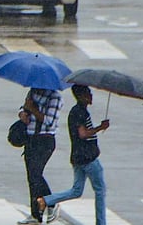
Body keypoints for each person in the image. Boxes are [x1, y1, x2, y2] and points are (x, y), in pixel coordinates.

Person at [38, 85, 110, 225]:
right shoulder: (79, 112)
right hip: (88, 158)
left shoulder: (79, 111)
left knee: (76, 190)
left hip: (78, 158)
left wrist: (99, 127)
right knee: (100, 191)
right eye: (88, 93)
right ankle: (101, 223)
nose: (91, 95)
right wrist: (100, 128)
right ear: (81, 96)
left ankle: (46, 200)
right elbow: (82, 134)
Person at [17, 87, 63, 224]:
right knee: (31, 177)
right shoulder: (32, 92)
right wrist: (23, 113)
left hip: (45, 140)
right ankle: (35, 214)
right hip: (30, 138)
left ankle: (52, 203)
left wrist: (33, 109)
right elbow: (24, 108)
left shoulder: (55, 97)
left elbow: (49, 121)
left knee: (36, 173)